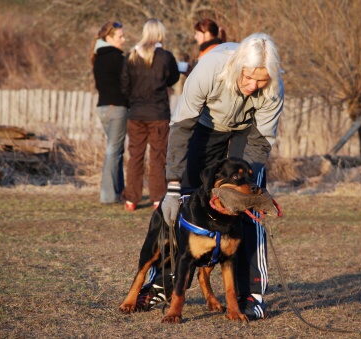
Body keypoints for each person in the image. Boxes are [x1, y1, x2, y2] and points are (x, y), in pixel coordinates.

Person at [136, 33, 284, 320]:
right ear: (239, 65)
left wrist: (245, 192)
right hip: (203, 126)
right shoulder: (210, 68)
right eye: (249, 78)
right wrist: (173, 186)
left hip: (247, 131)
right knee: (182, 206)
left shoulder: (274, 88)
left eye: (261, 81)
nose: (253, 86)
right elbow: (181, 127)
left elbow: (261, 141)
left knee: (248, 206)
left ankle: (251, 293)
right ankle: (160, 286)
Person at [120, 19, 180, 211]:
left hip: (136, 114)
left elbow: (124, 85)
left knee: (135, 156)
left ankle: (131, 200)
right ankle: (157, 199)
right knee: (158, 157)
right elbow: (174, 78)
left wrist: (133, 101)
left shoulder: (131, 56)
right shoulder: (165, 56)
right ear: (160, 34)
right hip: (158, 114)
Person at [91, 21, 128, 204]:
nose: (124, 39)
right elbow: (125, 84)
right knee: (113, 151)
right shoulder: (117, 58)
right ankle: (108, 195)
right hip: (117, 108)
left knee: (116, 151)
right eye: (120, 36)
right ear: (109, 38)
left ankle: (118, 192)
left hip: (103, 108)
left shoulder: (98, 56)